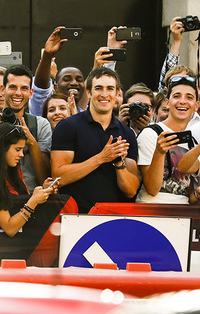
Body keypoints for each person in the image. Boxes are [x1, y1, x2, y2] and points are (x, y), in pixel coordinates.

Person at [51, 67, 140, 213]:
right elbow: (58, 177)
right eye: (98, 88)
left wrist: (119, 164)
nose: (104, 94)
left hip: (114, 219)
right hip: (76, 216)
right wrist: (101, 158)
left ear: (117, 93)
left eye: (110, 89)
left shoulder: (127, 134)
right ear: (89, 92)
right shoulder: (68, 126)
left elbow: (131, 191)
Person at [0, 65, 51, 191]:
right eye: (13, 87)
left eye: (24, 88)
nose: (18, 93)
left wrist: (31, 143)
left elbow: (44, 177)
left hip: (32, 197)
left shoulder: (40, 125)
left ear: (31, 93)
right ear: (3, 89)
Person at [136, 75, 200, 203]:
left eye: (189, 97)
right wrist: (160, 152)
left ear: (196, 106)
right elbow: (152, 189)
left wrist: (198, 193)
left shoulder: (193, 141)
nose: (182, 101)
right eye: (177, 96)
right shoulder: (151, 134)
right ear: (168, 102)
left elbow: (186, 193)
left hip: (182, 216)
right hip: (152, 213)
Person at [0, 123, 58, 236]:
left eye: (22, 149)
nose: (21, 155)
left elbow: (23, 203)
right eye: (17, 149)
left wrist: (43, 191)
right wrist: (33, 200)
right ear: (2, 149)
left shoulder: (14, 172)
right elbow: (10, 229)